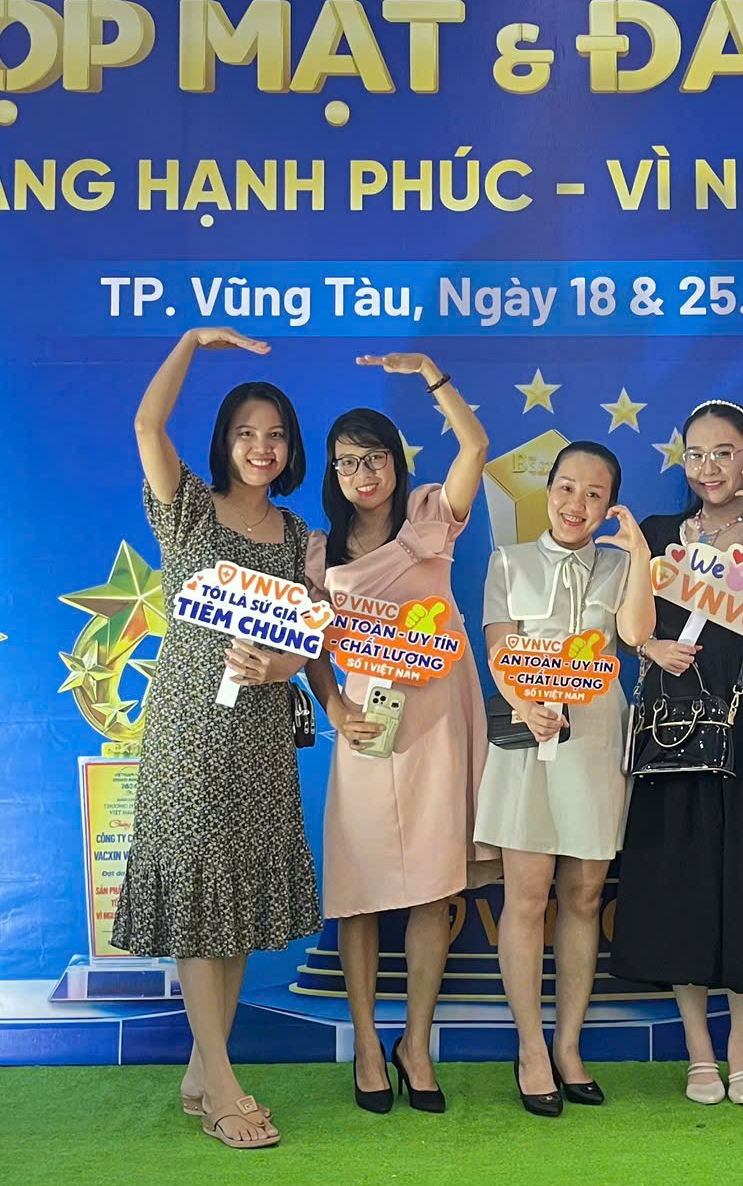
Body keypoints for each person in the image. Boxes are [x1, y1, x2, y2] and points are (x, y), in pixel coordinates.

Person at [120, 326, 327, 1151]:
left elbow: (312, 635)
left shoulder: (299, 534)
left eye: (274, 435)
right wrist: (191, 343)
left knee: (234, 899)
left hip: (262, 732)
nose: (261, 447)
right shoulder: (189, 507)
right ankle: (223, 1086)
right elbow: (147, 424)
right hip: (192, 726)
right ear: (224, 441)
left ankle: (204, 1071)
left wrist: (284, 667)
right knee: (201, 892)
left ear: (291, 448)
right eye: (246, 433)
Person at [610, 400, 743, 1107]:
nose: (708, 467)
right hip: (674, 714)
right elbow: (628, 626)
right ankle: (699, 1049)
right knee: (680, 876)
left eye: (724, 452)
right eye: (696, 453)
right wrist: (649, 647)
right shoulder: (657, 533)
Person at [303, 354, 493, 1115]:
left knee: (432, 890)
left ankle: (416, 1042)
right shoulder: (316, 553)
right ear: (334, 474)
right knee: (358, 892)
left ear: (395, 461)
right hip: (365, 725)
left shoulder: (429, 517)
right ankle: (366, 1043)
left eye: (375, 457)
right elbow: (312, 648)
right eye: (348, 462)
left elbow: (475, 447)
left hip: (438, 719)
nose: (364, 474)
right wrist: (331, 708)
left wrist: (432, 374)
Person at [476, 441, 648, 1116]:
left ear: (610, 505)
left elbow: (635, 634)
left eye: (594, 494)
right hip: (527, 734)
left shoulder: (620, 565)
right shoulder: (508, 561)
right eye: (567, 488)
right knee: (526, 896)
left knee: (584, 895)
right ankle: (530, 1049)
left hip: (596, 739)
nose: (577, 504)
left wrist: (640, 556)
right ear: (547, 492)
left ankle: (569, 1046)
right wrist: (524, 704)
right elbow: (498, 646)